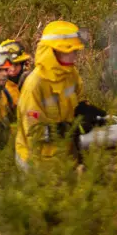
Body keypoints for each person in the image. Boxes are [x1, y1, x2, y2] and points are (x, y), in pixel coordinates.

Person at [15, 20, 88, 168]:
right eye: (71, 52)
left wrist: (90, 116)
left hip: (64, 156)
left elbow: (80, 100)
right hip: (37, 162)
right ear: (54, 52)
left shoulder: (70, 74)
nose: (75, 56)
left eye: (76, 51)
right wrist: (63, 129)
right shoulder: (35, 85)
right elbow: (33, 132)